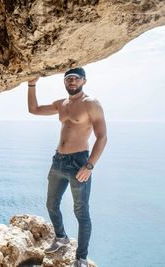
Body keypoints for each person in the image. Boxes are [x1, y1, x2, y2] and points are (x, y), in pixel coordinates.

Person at [27, 67, 107, 267]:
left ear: (84, 81)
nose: (72, 81)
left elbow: (102, 137)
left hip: (79, 163)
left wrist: (89, 166)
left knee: (81, 212)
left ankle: (80, 259)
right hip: (58, 161)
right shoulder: (61, 104)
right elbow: (34, 109)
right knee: (51, 204)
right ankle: (61, 238)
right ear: (64, 82)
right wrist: (31, 84)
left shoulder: (91, 103)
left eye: (76, 78)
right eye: (68, 78)